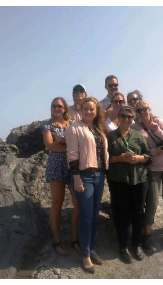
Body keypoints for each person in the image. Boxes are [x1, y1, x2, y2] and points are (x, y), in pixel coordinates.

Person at [64, 97, 108, 273]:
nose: (89, 112)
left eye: (92, 109)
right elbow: (72, 155)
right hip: (84, 176)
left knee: (95, 215)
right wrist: (76, 178)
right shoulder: (74, 128)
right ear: (80, 110)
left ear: (96, 111)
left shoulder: (98, 128)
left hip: (99, 175)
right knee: (86, 216)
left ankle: (92, 248)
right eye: (86, 109)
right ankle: (85, 254)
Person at [107, 106, 152, 263]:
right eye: (123, 116)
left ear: (133, 119)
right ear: (118, 117)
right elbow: (104, 159)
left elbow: (147, 156)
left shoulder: (139, 136)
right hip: (118, 180)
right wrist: (119, 158)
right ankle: (123, 247)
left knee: (138, 213)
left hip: (138, 180)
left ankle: (137, 245)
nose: (126, 119)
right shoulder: (110, 136)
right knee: (121, 214)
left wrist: (137, 158)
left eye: (129, 117)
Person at [132, 99, 163, 250]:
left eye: (144, 109)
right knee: (152, 201)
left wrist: (157, 130)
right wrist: (154, 152)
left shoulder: (158, 121)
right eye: (139, 110)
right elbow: (138, 151)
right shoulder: (135, 128)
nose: (142, 112)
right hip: (152, 169)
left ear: (149, 109)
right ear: (136, 113)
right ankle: (147, 236)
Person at [42, 97, 79, 256]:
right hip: (56, 166)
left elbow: (77, 143)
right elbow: (50, 145)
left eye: (59, 106)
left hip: (73, 166)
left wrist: (63, 142)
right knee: (57, 203)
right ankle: (57, 241)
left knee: (78, 203)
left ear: (65, 109)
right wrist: (68, 146)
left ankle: (75, 239)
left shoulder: (72, 124)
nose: (56, 108)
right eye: (53, 106)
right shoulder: (47, 125)